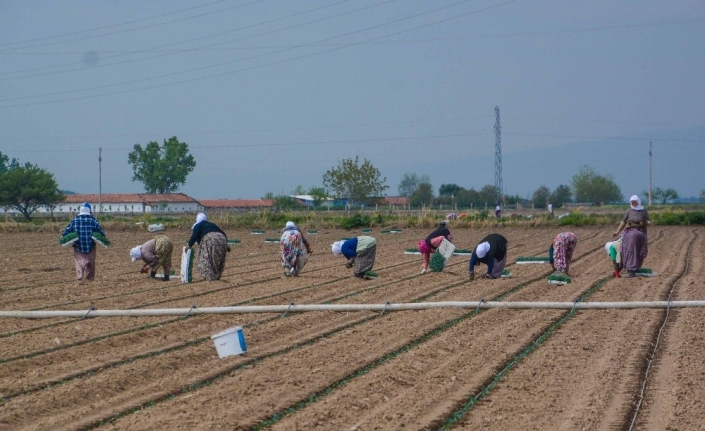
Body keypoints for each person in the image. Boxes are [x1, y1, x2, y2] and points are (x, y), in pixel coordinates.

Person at [61, 202, 107, 283]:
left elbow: (67, 230)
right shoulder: (93, 220)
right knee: (91, 262)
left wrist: (63, 235)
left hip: (78, 246)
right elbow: (101, 232)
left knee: (79, 261)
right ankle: (89, 278)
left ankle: (80, 276)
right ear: (89, 210)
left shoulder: (75, 220)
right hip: (91, 246)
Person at [613, 195, 651, 278]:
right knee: (626, 248)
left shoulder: (643, 211)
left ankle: (636, 268)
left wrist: (645, 223)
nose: (633, 203)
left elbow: (649, 222)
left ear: (638, 202)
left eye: (635, 202)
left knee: (641, 250)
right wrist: (617, 231)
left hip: (641, 231)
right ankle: (628, 268)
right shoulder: (628, 211)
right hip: (629, 231)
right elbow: (623, 222)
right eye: (632, 202)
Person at [187, 213, 229, 281]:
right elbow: (222, 233)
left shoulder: (198, 225)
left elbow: (194, 236)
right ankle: (216, 275)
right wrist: (226, 246)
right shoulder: (212, 224)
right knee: (217, 258)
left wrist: (189, 245)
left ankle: (210, 277)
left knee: (206, 258)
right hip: (222, 238)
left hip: (210, 238)